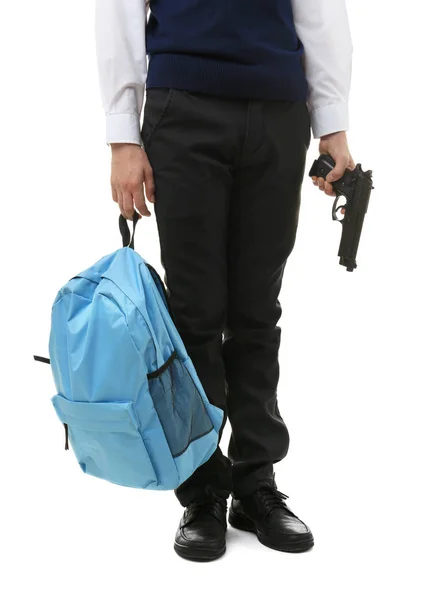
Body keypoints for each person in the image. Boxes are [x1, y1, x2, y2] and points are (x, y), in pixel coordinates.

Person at [95, 0, 355, 561]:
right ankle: (203, 491)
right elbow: (118, 9)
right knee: (195, 312)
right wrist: (122, 135)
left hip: (279, 111)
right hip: (182, 110)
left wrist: (332, 123)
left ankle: (255, 482)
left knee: (258, 312)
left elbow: (319, 7)